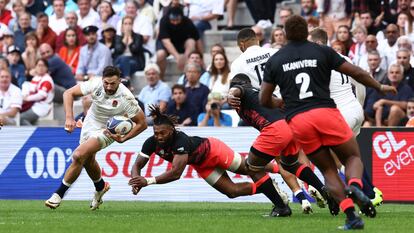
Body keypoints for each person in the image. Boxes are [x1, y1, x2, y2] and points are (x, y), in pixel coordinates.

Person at [259, 15, 396, 230]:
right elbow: (357, 72)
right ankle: (355, 185)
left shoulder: (276, 59)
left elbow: (263, 99)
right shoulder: (322, 51)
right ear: (306, 32)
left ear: (285, 34)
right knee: (352, 157)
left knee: (328, 171)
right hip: (326, 112)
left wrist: (281, 103)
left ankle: (351, 216)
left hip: (299, 121)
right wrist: (380, 87)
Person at [129, 105, 291, 217]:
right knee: (231, 192)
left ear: (171, 130)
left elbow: (176, 173)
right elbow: (137, 164)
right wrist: (136, 180)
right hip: (202, 165)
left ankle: (279, 169)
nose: (159, 137)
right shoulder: (151, 142)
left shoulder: (181, 140)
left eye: (162, 133)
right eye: (156, 133)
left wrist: (148, 181)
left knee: (249, 168)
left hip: (214, 150)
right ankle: (267, 187)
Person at [45, 66, 147, 210]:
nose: (109, 86)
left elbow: (142, 123)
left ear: (120, 81)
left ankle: (58, 195)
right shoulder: (95, 83)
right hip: (90, 123)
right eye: (106, 83)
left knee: (79, 155)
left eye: (113, 83)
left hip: (108, 130)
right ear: (102, 80)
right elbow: (68, 93)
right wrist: (69, 117)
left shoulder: (126, 97)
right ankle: (100, 187)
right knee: (88, 159)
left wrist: (123, 138)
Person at [228, 74, 333, 214]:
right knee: (290, 164)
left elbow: (237, 90)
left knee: (251, 167)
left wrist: (231, 93)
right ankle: (324, 190)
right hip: (290, 126)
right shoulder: (257, 93)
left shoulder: (242, 90)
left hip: (275, 129)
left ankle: (281, 206)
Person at [309, 28, 384, 207]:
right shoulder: (345, 59)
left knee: (336, 157)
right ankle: (370, 190)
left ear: (317, 43)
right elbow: (360, 83)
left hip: (340, 114)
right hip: (354, 110)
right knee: (351, 156)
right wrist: (358, 106)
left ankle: (368, 192)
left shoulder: (317, 62)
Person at [20, 59, 54, 125]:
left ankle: (29, 134)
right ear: (35, 67)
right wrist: (24, 95)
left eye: (43, 66)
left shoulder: (47, 79)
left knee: (21, 118)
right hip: (33, 105)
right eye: (39, 65)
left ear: (47, 68)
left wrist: (27, 98)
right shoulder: (36, 77)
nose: (41, 68)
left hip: (42, 107)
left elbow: (42, 95)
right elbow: (29, 88)